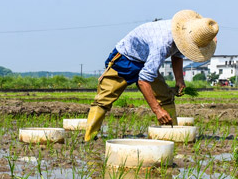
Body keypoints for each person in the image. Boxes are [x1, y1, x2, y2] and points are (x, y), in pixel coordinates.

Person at [84, 10, 218, 142]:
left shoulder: (185, 34)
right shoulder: (162, 44)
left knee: (165, 96)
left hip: (146, 60)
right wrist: (157, 110)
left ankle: (172, 136)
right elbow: (143, 81)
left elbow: (177, 54)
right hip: (125, 58)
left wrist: (179, 79)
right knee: (104, 99)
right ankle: (89, 138)